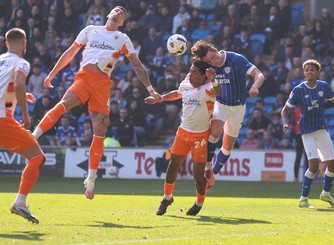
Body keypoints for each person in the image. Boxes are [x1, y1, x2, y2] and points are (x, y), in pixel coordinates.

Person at [31, 6, 162, 199]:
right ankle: (33, 136)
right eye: (117, 10)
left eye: (123, 14)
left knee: (100, 130)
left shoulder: (122, 38)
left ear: (123, 22)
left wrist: (151, 89)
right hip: (84, 78)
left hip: (102, 84)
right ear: (108, 14)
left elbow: (137, 65)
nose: (119, 12)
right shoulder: (90, 29)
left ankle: (90, 180)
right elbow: (70, 53)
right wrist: (51, 75)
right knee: (62, 104)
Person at [281, 59, 334, 209]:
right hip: (307, 131)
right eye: (307, 70)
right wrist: (284, 122)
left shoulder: (323, 87)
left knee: (333, 165)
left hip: (321, 129)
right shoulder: (298, 90)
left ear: (318, 72)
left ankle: (326, 194)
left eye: (312, 70)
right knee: (313, 165)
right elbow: (285, 110)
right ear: (304, 72)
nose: (309, 72)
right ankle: (303, 199)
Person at [145, 60, 222, 216]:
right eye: (190, 71)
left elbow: (218, 91)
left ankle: (199, 203)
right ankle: (167, 198)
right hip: (182, 133)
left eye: (194, 72)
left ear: (203, 76)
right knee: (172, 166)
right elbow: (177, 93)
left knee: (198, 176)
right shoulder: (186, 83)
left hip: (200, 137)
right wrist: (160, 98)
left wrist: (213, 80)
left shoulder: (208, 88)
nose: (190, 74)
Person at [190, 40, 265, 188]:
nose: (213, 62)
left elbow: (259, 74)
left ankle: (212, 175)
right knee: (215, 132)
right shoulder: (207, 65)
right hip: (221, 104)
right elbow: (193, 78)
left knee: (228, 146)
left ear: (216, 50)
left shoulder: (236, 59)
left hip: (238, 107)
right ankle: (208, 167)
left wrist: (255, 86)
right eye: (208, 61)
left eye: (213, 58)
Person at [0, 28, 46, 224]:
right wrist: (26, 116)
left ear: (6, 43)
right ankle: (20, 202)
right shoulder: (22, 63)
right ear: (24, 44)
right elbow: (18, 84)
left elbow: (8, 87)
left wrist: (18, 98)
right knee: (37, 157)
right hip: (2, 120)